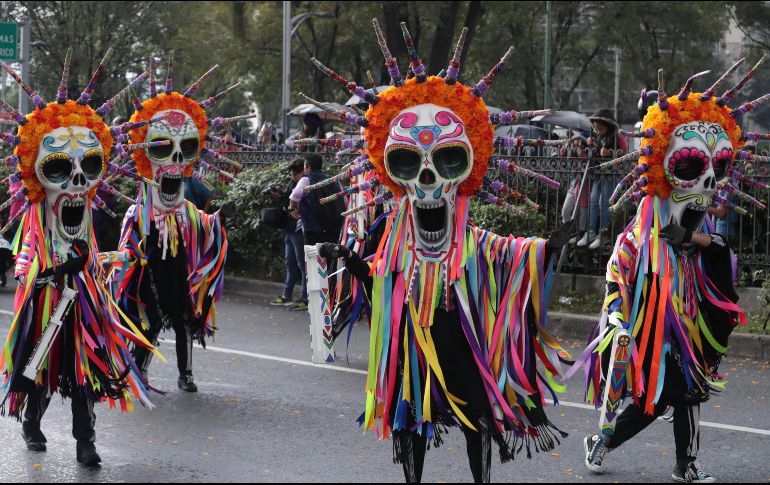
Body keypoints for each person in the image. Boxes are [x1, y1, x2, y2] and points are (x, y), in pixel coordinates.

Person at [306, 24, 575, 483]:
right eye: (409, 163)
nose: (427, 179)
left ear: (468, 169)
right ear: (390, 173)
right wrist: (349, 260)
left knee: (479, 419)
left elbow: (506, 252)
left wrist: (549, 247)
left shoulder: (471, 240)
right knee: (410, 417)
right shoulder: (393, 239)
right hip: (412, 339)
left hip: (462, 339)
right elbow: (380, 275)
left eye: (448, 160)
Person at [571, 62, 766, 482]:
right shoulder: (636, 240)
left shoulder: (699, 230)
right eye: (693, 166)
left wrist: (690, 239)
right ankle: (609, 443)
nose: (709, 182)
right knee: (657, 400)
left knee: (683, 395)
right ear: (661, 168)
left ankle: (681, 464)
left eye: (720, 167)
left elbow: (720, 252)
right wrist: (619, 324)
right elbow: (614, 282)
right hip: (649, 335)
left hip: (688, 328)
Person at [0, 49, 157, 466]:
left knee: (84, 370)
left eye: (89, 166)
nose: (76, 179)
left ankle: (85, 441)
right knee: (41, 369)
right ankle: (32, 422)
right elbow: (24, 257)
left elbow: (92, 247)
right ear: (36, 172)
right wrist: (48, 272)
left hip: (85, 297)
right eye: (59, 169)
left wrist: (107, 261)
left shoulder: (85, 206)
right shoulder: (34, 214)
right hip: (48, 299)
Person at [113, 55, 241, 394]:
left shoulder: (187, 210)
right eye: (162, 147)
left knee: (185, 320)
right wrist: (132, 255)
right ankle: (138, 370)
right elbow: (127, 248)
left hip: (179, 276)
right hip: (148, 278)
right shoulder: (137, 213)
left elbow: (207, 229)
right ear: (145, 155)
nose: (176, 160)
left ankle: (186, 374)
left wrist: (219, 221)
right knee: (149, 322)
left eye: (185, 149)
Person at [578, 108, 627, 250]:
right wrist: (591, 145)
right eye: (595, 128)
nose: (597, 130)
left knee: (603, 203)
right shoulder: (597, 137)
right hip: (598, 174)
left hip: (611, 175)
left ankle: (603, 233)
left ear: (608, 127)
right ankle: (591, 231)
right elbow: (593, 153)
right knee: (593, 200)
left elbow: (624, 153)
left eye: (600, 128)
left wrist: (610, 153)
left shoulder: (617, 138)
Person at [270, 159, 308, 309]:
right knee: (290, 263)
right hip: (290, 228)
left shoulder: (306, 184)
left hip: (298, 229)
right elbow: (288, 200)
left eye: (295, 174)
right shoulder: (294, 183)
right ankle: (287, 295)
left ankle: (305, 297)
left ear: (303, 172)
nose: (293, 177)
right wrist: (280, 196)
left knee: (302, 265)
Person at [288, 154, 344, 246]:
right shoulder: (333, 179)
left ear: (308, 167)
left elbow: (295, 196)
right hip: (334, 228)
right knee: (331, 256)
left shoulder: (306, 180)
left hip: (313, 229)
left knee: (313, 257)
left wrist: (292, 209)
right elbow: (344, 198)